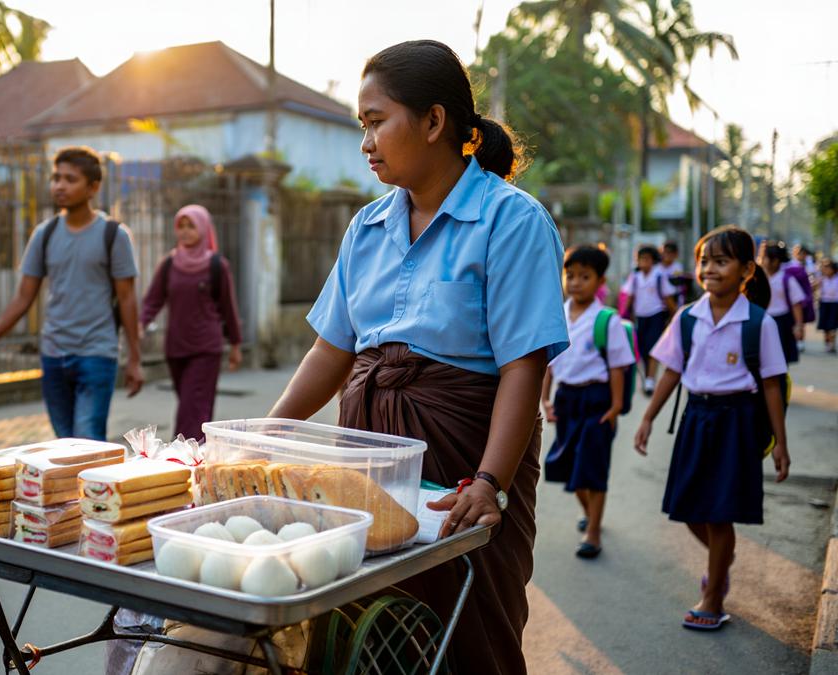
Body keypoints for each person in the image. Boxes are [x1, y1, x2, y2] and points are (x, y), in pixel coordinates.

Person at [268, 40, 567, 674]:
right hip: (367, 457)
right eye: (362, 125)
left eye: (376, 121)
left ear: (433, 122)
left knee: (467, 636)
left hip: (465, 460)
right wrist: (266, 435)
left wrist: (489, 483)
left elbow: (524, 365)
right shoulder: (367, 227)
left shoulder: (511, 221)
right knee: (362, 633)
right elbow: (332, 349)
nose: (365, 140)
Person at [635, 226, 790, 631]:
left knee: (720, 516)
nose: (709, 269)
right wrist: (648, 417)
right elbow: (671, 371)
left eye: (721, 261)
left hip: (736, 423)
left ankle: (714, 594)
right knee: (688, 509)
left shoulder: (759, 323)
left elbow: (771, 385)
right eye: (704, 260)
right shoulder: (687, 318)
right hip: (696, 420)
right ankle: (722, 558)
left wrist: (781, 445)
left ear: (746, 271)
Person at [0, 147, 143, 440]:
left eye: (70, 179)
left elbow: (127, 299)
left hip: (96, 353)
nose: (60, 185)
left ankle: (95, 487)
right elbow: (23, 297)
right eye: (56, 178)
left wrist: (135, 359)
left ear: (93, 187)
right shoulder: (45, 234)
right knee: (64, 443)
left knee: (87, 440)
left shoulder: (114, 234)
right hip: (53, 353)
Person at [541, 245, 634, 559]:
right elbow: (549, 363)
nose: (576, 282)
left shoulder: (607, 320)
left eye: (585, 276)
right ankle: (590, 512)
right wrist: (546, 398)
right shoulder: (558, 315)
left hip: (597, 400)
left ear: (600, 281)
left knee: (592, 469)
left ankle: (593, 531)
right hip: (567, 399)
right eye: (571, 275)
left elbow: (618, 366)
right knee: (568, 468)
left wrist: (616, 405)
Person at [139, 205, 243, 441]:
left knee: (191, 411)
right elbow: (152, 301)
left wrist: (235, 345)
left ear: (204, 228)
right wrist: (141, 324)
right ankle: (202, 458)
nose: (185, 232)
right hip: (176, 349)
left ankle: (184, 459)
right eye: (181, 226)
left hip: (206, 348)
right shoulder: (169, 264)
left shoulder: (217, 266)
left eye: (191, 226)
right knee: (196, 408)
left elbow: (229, 308)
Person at [621, 245, 678, 395]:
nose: (643, 262)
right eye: (641, 259)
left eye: (647, 259)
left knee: (653, 348)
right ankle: (647, 378)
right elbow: (630, 298)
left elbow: (668, 299)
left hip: (656, 315)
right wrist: (622, 315)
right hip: (641, 317)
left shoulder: (659, 276)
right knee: (643, 349)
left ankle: (650, 381)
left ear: (653, 261)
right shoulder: (635, 278)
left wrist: (675, 317)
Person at [759, 241, 806, 364]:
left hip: (781, 323)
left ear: (775, 261)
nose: (760, 260)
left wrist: (798, 326)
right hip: (762, 320)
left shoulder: (786, 279)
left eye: (764, 257)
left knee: (780, 357)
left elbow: (796, 304)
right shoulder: (759, 278)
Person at [660, 240, 689, 305]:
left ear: (675, 254)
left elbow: (677, 284)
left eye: (671, 252)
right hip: (659, 301)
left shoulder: (677, 267)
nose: (667, 255)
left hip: (674, 299)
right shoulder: (657, 267)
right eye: (665, 252)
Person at [818, 260, 838, 353]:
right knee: (825, 325)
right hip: (824, 303)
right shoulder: (822, 279)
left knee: (832, 325)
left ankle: (832, 343)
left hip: (834, 303)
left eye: (828, 267)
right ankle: (827, 342)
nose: (825, 269)